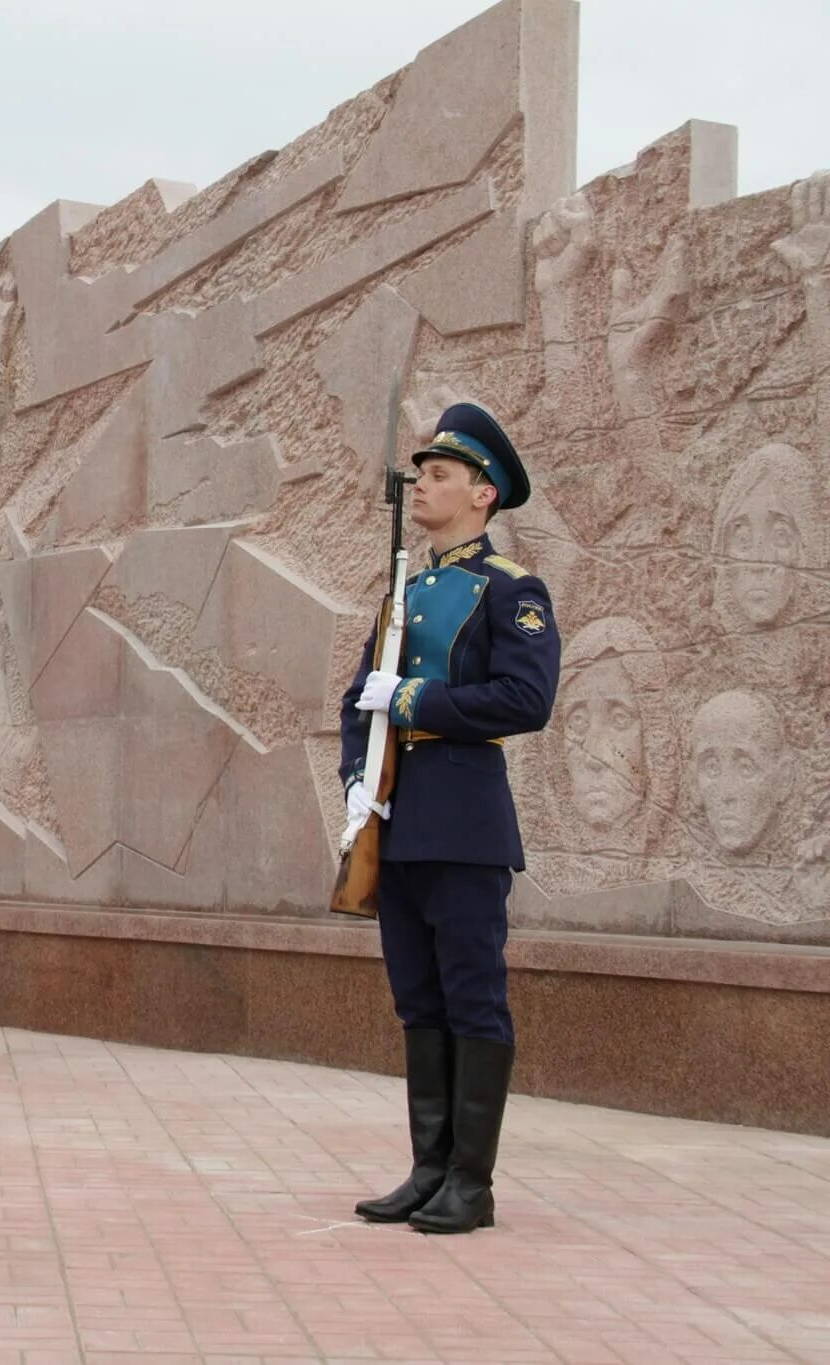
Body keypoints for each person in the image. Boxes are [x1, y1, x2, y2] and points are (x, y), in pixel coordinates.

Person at [338, 402, 561, 1235]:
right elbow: (359, 695)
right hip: (397, 820)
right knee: (417, 998)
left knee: (473, 997)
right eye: (422, 473)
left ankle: (473, 1181)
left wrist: (419, 698)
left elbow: (526, 698)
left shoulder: (511, 590)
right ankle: (428, 1169)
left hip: (465, 819)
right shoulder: (405, 593)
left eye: (439, 475)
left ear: (483, 495)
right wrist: (358, 779)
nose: (423, 485)